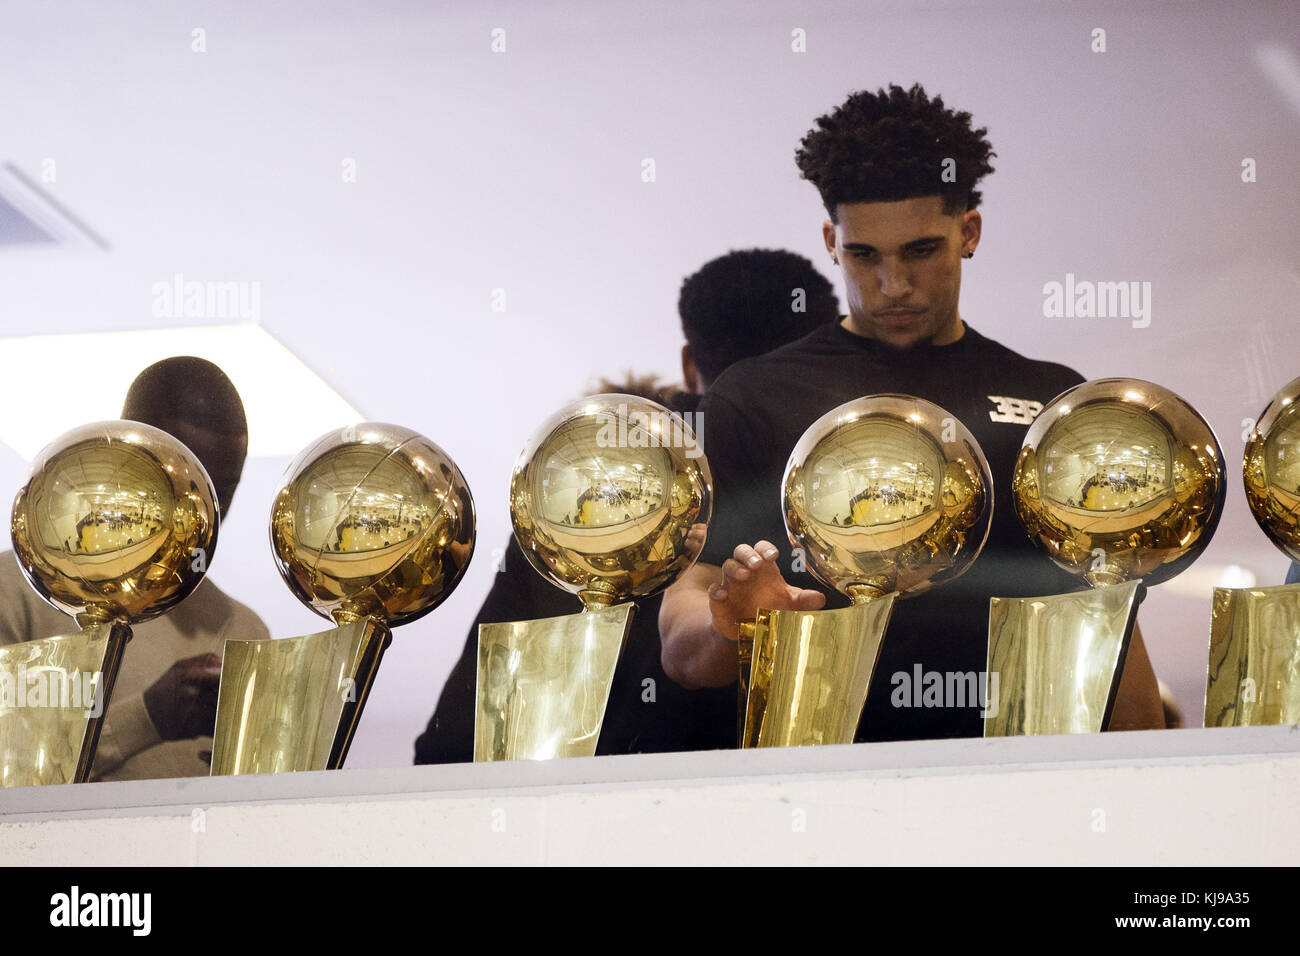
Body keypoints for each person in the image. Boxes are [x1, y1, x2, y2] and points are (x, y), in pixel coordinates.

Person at [659, 83, 1165, 740]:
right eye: (865, 255)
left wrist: (1143, 785)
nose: (892, 285)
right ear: (831, 242)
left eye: (921, 251)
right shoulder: (755, 396)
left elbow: (1112, 622)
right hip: (813, 803)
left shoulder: (1049, 402)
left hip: (1022, 792)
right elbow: (681, 636)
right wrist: (733, 624)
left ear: (969, 232)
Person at [414, 249, 841, 763]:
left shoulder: (576, 490)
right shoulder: (844, 498)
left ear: (690, 362)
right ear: (825, 362)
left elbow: (466, 725)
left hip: (575, 805)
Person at [0, 356, 271, 780]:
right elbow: (11, 770)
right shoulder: (16, 590)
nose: (206, 509)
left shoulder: (242, 627)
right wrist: (146, 718)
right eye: (186, 480)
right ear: (127, 453)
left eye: (225, 486)